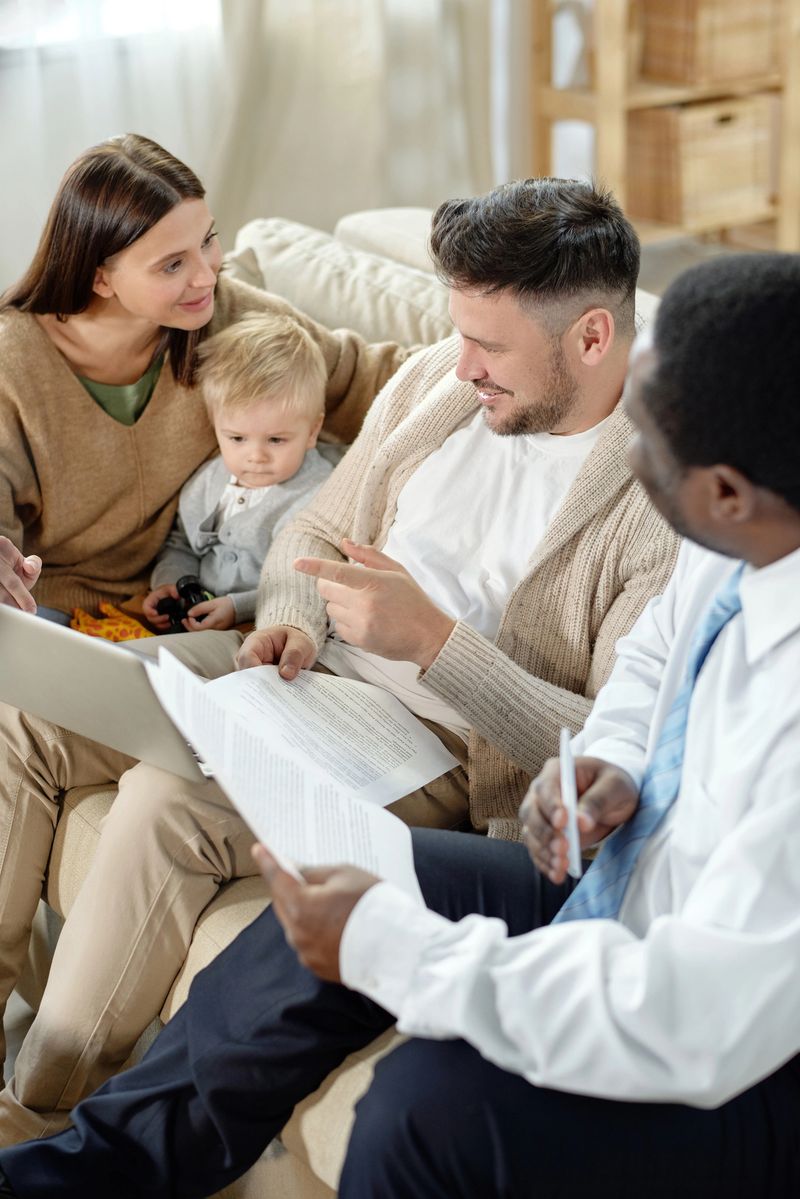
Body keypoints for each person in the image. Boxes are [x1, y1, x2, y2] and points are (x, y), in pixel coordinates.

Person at [1, 251, 798, 1199]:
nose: (630, 452)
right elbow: (657, 660)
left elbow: (694, 1017)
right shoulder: (736, 535)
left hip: (736, 1041)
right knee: (348, 879)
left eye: (651, 447)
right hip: (623, 875)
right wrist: (617, 760)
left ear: (727, 493)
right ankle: (76, 1176)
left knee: (419, 1107)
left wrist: (389, 945)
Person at [0, 133, 406, 622]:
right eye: (173, 264)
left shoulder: (227, 314)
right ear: (100, 277)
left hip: (194, 594)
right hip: (58, 609)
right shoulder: (12, 366)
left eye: (208, 240)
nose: (207, 276)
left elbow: (368, 376)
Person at [143, 313, 334, 632]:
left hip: (268, 625)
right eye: (236, 438)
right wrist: (171, 584)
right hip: (196, 616)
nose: (256, 456)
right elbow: (182, 545)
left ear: (312, 431)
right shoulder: (209, 481)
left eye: (276, 440)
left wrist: (239, 608)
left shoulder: (317, 496)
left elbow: (308, 583)